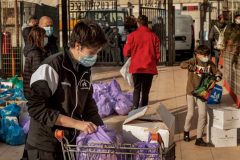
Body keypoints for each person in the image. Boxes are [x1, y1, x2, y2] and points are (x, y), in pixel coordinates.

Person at [25, 20, 107, 160]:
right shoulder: (52, 67)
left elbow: (88, 105)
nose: (94, 57)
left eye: (97, 53)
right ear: (77, 46)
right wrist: (76, 123)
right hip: (45, 146)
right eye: (92, 52)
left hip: (68, 144)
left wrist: (102, 132)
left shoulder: (85, 70)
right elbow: (35, 108)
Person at [180, 45, 222, 146]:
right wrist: (193, 68)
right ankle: (186, 131)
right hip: (191, 91)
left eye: (207, 54)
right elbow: (182, 64)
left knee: (202, 114)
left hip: (203, 93)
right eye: (203, 55)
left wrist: (218, 76)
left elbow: (217, 72)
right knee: (190, 113)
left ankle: (199, 138)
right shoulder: (193, 61)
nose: (206, 56)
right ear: (197, 55)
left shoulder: (209, 63)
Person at [21, 26, 48, 160]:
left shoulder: (31, 52)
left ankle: (26, 155)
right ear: (39, 38)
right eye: (44, 36)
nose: (45, 39)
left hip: (30, 93)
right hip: (36, 95)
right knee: (36, 129)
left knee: (34, 128)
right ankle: (28, 155)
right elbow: (39, 77)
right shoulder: (36, 54)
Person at [123, 15, 160, 109]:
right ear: (147, 23)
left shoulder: (132, 36)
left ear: (138, 23)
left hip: (136, 68)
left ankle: (135, 108)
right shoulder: (154, 36)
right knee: (145, 91)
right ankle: (143, 111)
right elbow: (158, 55)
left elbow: (126, 52)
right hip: (149, 68)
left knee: (136, 89)